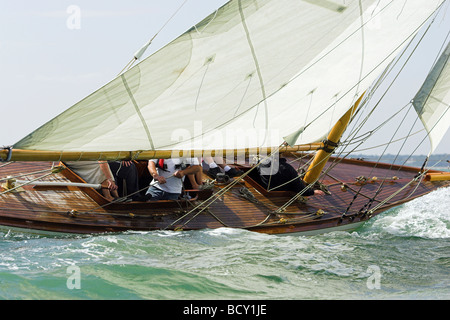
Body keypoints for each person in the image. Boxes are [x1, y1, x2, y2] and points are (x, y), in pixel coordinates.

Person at [257, 157, 324, 196]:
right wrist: (313, 192)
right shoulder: (287, 168)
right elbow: (300, 188)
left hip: (265, 192)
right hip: (282, 196)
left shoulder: (261, 163)